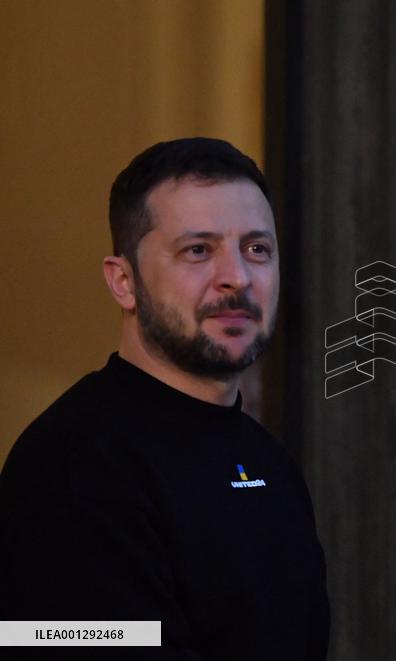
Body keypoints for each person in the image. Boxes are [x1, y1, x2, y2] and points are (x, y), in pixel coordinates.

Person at [0, 138, 329, 659]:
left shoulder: (272, 465)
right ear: (123, 282)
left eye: (257, 249)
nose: (237, 278)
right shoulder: (73, 465)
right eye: (198, 250)